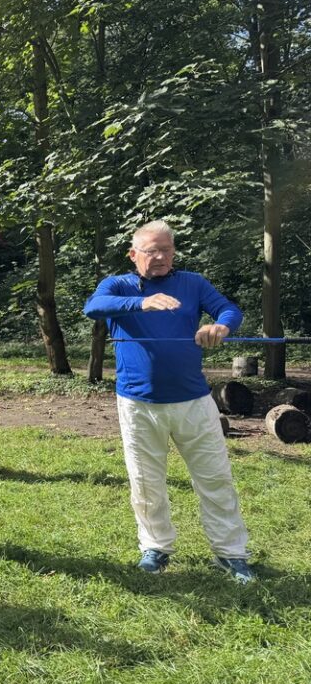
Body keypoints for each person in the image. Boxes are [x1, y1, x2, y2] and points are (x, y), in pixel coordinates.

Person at [83, 219, 254, 583]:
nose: (160, 257)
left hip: (193, 400)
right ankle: (156, 547)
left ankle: (230, 553)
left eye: (166, 250)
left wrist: (221, 327)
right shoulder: (118, 285)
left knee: (215, 477)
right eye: (151, 251)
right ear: (133, 255)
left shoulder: (192, 283)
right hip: (137, 403)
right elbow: (93, 307)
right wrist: (142, 303)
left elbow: (229, 309)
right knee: (146, 480)